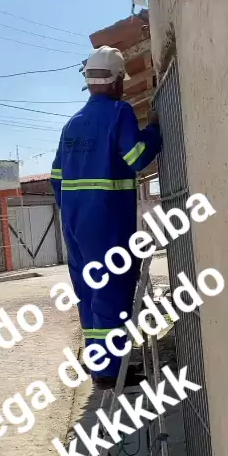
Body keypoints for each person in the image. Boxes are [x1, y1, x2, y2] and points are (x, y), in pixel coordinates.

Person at [51, 45, 162, 390]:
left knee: (88, 291)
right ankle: (112, 372)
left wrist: (75, 209)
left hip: (74, 222)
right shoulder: (119, 112)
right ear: (116, 81)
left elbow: (56, 177)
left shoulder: (71, 124)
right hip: (107, 219)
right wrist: (154, 129)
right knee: (112, 290)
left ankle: (99, 364)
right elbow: (137, 156)